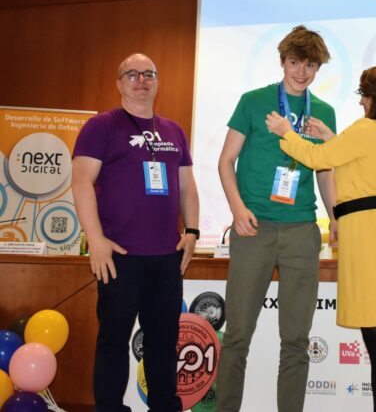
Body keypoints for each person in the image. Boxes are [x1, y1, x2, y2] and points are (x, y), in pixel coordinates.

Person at [266, 63, 376, 412]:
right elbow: (358, 163)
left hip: (374, 245)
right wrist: (331, 137)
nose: (361, 102)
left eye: (364, 94)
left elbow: (315, 158)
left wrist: (286, 132)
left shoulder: (367, 130)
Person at [216, 25, 336, 412]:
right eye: (295, 62)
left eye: (310, 65)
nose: (302, 72)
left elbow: (325, 171)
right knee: (237, 335)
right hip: (254, 228)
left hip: (302, 230)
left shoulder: (324, 112)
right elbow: (226, 160)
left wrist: (335, 217)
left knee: (297, 341)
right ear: (283, 61)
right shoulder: (254, 101)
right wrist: (237, 208)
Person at [72, 53, 200, 412]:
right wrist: (96, 240)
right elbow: (81, 182)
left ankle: (164, 407)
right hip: (119, 257)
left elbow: (187, 187)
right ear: (119, 83)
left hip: (167, 257)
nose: (141, 80)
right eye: (132, 74)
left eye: (149, 74)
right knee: (113, 342)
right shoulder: (102, 126)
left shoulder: (173, 131)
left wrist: (192, 230)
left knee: (163, 342)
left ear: (157, 82)